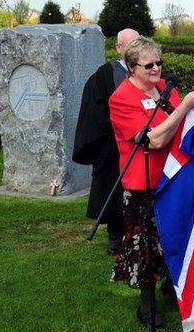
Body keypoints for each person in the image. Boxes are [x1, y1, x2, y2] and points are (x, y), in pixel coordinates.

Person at [109, 36, 194, 327]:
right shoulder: (121, 98)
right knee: (145, 245)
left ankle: (173, 288)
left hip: (172, 177)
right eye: (148, 65)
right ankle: (147, 304)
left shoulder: (165, 88)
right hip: (142, 184)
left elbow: (183, 125)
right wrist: (184, 107)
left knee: (173, 236)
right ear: (132, 67)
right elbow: (155, 138)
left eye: (159, 62)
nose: (156, 69)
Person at [72, 28, 139, 255]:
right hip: (114, 146)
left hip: (143, 145)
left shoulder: (149, 72)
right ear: (118, 48)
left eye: (136, 44)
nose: (132, 49)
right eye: (128, 45)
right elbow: (96, 112)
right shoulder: (105, 74)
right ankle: (116, 237)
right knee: (115, 193)